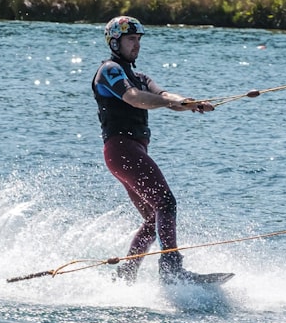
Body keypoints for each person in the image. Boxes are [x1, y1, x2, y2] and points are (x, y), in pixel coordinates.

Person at [92, 16, 215, 285]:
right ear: (115, 42)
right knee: (166, 203)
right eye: (130, 40)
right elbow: (134, 99)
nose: (136, 45)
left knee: (152, 219)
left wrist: (190, 103)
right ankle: (172, 269)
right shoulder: (110, 71)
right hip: (121, 149)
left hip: (132, 151)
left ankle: (126, 274)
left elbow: (166, 95)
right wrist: (172, 103)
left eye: (138, 40)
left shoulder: (140, 76)